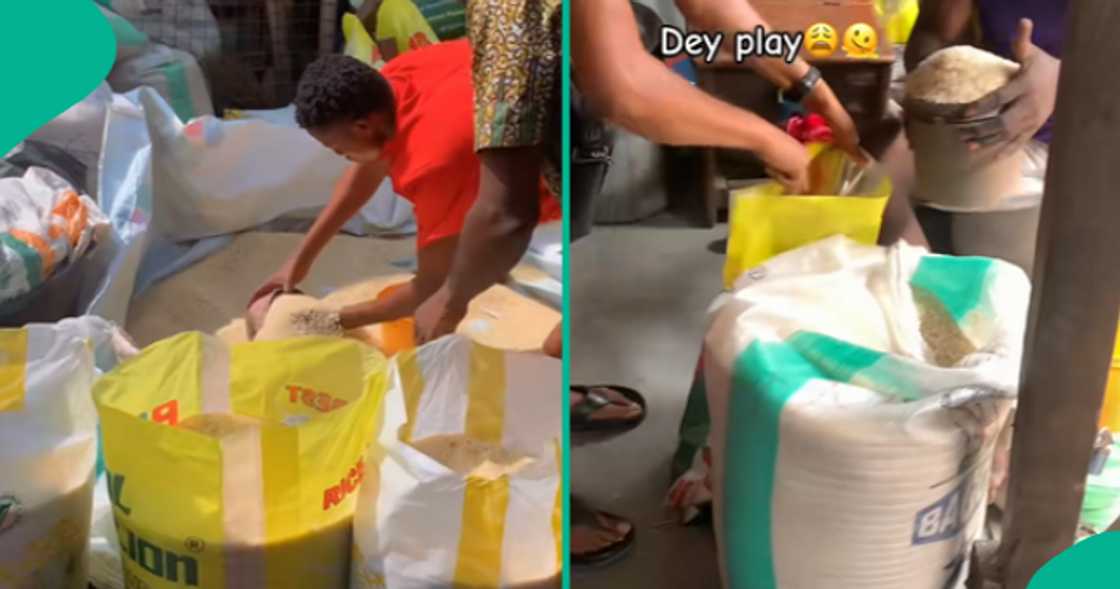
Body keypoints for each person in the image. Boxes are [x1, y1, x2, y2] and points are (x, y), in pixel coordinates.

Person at [246, 39, 560, 329]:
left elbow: (430, 287)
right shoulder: (394, 78)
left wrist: (327, 321)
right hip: (548, 82)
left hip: (578, 159)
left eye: (337, 149)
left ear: (362, 126)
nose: (340, 156)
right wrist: (297, 262)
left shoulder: (433, 163)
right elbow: (366, 170)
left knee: (555, 346)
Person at [877, 0, 1064, 250]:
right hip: (987, 136)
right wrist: (940, 81)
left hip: (1082, 151)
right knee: (875, 151)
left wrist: (1066, 79)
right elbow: (933, 33)